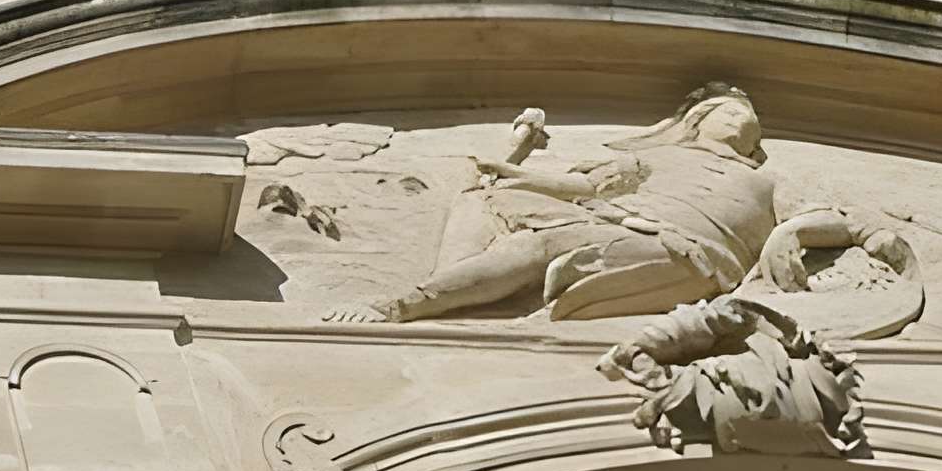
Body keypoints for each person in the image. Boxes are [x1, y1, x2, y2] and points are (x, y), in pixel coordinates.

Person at [322, 84, 779, 323]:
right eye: (732, 112)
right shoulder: (659, 156)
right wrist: (515, 167)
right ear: (697, 120)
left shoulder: (761, 178)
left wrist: (803, 233)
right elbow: (584, 189)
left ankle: (402, 307)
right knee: (486, 199)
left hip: (678, 247)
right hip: (622, 225)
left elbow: (824, 219)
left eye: (750, 120)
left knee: (535, 247)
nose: (743, 122)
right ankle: (447, 286)